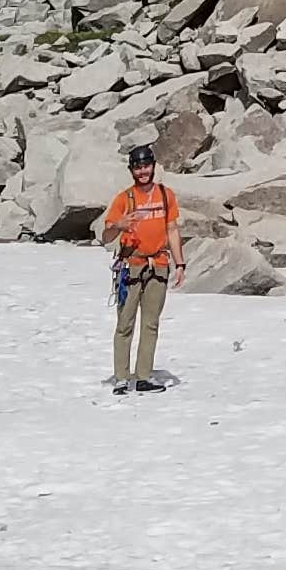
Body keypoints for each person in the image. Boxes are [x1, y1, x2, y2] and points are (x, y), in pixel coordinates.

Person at [97, 140, 183, 392]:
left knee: (151, 323)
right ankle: (122, 377)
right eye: (138, 167)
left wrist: (180, 263)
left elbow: (172, 229)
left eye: (146, 166)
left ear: (154, 167)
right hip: (131, 267)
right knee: (125, 323)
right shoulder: (124, 199)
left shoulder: (166, 196)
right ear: (131, 170)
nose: (143, 171)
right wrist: (118, 225)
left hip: (158, 264)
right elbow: (105, 237)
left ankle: (143, 375)